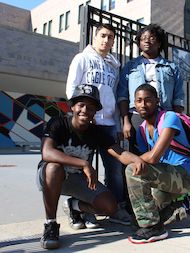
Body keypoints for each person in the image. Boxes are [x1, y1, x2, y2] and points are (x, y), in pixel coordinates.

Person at [37, 85, 146, 249]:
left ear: (95, 111)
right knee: (54, 167)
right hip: (51, 177)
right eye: (80, 105)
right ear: (72, 107)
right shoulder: (58, 123)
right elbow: (47, 152)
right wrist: (84, 163)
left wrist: (137, 160)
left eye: (91, 107)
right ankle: (50, 224)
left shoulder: (97, 131)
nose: (85, 110)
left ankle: (74, 206)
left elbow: (118, 152)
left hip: (78, 179)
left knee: (110, 207)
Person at [66, 23, 130, 226]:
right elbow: (72, 90)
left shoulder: (114, 65)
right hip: (88, 123)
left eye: (110, 37)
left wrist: (119, 126)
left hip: (109, 123)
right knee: (86, 168)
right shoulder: (82, 58)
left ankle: (116, 208)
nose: (106, 40)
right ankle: (84, 209)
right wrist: (82, 115)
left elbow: (113, 94)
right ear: (94, 37)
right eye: (103, 35)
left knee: (114, 169)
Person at [125, 84, 190, 244]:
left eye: (148, 100)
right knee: (135, 220)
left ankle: (153, 228)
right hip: (167, 177)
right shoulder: (142, 129)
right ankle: (183, 204)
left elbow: (152, 157)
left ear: (157, 101)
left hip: (186, 173)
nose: (143, 105)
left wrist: (127, 158)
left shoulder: (170, 118)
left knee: (132, 169)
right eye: (139, 101)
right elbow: (147, 164)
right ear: (134, 103)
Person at [117, 24, 184, 154]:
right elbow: (122, 96)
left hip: (164, 116)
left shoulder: (171, 67)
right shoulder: (130, 66)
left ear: (159, 43)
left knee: (163, 155)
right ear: (139, 43)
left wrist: (177, 119)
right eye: (143, 38)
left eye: (151, 37)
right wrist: (125, 121)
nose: (147, 41)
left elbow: (178, 97)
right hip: (137, 116)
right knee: (137, 155)